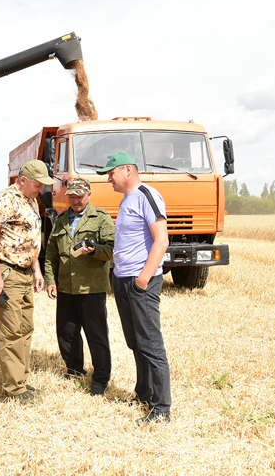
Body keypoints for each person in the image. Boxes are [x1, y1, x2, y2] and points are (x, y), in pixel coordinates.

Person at [98, 152, 171, 424]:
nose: (108, 179)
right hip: (123, 279)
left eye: (111, 172)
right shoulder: (127, 199)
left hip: (140, 281)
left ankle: (161, 408)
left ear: (128, 170)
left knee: (151, 344)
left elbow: (161, 241)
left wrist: (143, 279)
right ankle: (143, 394)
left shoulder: (146, 195)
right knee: (136, 342)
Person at [0, 160, 53, 404]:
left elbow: (30, 239)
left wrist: (37, 269)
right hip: (7, 273)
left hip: (25, 273)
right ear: (22, 180)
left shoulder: (31, 200)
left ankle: (22, 382)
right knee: (11, 330)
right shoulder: (4, 199)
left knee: (25, 329)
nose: (41, 190)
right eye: (37, 185)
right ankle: (13, 390)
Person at [44, 177, 115, 395]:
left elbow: (112, 250)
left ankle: (100, 380)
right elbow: (51, 255)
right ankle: (74, 371)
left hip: (91, 288)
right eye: (71, 197)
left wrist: (94, 251)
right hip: (66, 286)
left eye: (79, 196)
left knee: (96, 335)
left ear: (89, 195)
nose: (75, 201)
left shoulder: (101, 218)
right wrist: (50, 281)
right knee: (67, 332)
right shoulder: (61, 220)